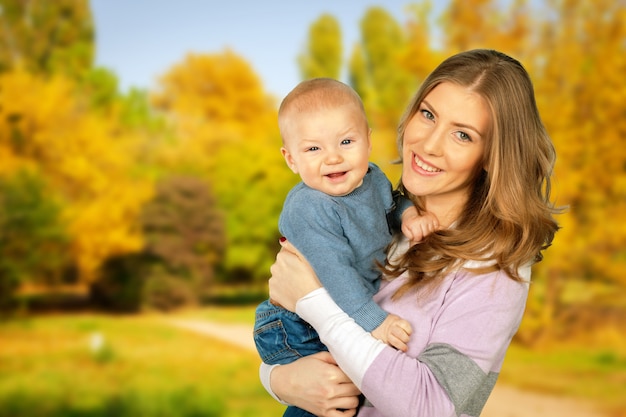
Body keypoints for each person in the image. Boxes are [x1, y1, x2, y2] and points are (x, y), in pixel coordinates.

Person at [262, 49, 562, 417]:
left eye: (463, 135)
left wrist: (311, 300)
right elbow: (309, 356)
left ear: (491, 155)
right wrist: (280, 380)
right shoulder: (383, 216)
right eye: (428, 114)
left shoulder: (493, 268)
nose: (429, 145)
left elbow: (431, 407)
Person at [254, 78, 439, 416]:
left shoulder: (372, 178)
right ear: (291, 159)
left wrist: (408, 215)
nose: (333, 158)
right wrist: (376, 323)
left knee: (346, 394)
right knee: (330, 398)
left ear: (368, 141)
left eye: (346, 141)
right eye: (313, 149)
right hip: (294, 323)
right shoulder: (310, 207)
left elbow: (390, 205)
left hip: (337, 309)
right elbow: (334, 272)